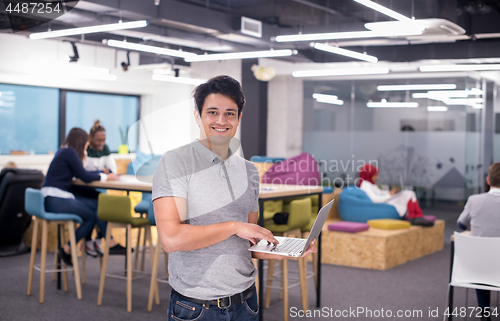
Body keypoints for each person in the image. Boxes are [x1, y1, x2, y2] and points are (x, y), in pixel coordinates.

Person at [152, 75, 317, 321]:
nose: (221, 120)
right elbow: (171, 239)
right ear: (197, 116)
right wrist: (234, 227)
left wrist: (287, 250)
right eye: (212, 112)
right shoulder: (175, 162)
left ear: (239, 118)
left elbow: (249, 243)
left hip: (246, 302)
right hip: (198, 307)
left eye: (230, 113)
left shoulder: (249, 171)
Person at [42, 128, 124, 266]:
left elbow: (81, 172)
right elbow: (85, 176)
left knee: (96, 204)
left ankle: (108, 241)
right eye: (86, 143)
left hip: (53, 197)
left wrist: (101, 173)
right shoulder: (70, 152)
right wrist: (107, 176)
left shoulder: (65, 150)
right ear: (81, 141)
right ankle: (67, 249)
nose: (87, 145)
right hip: (55, 199)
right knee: (91, 216)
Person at [457, 162, 500, 321]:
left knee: (483, 263)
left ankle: (484, 313)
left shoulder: (474, 200)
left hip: (476, 268)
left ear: (488, 181)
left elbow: (461, 224)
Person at [357, 164, 434, 227]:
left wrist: (390, 192)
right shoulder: (366, 185)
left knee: (409, 193)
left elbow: (379, 192)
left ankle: (416, 216)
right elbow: (375, 199)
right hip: (384, 203)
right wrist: (390, 195)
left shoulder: (370, 184)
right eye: (375, 175)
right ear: (369, 174)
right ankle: (414, 216)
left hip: (386, 200)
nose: (377, 177)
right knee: (408, 194)